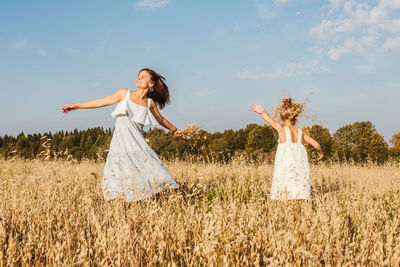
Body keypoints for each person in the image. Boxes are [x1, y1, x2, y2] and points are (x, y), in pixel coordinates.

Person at [62, 68, 185, 202]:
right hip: (120, 143)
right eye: (138, 76)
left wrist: (174, 130)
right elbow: (101, 102)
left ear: (151, 84)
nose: (138, 78)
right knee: (119, 175)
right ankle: (125, 203)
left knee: (158, 173)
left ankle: (157, 199)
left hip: (137, 144)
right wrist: (77, 105)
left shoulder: (149, 103)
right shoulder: (124, 93)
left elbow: (161, 119)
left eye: (143, 77)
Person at [250, 97, 323, 200]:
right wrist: (320, 153)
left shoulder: (281, 129)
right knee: (299, 191)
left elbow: (268, 119)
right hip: (299, 168)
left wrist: (262, 111)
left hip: (285, 167)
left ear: (281, 116)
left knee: (283, 190)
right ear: (296, 117)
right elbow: (316, 144)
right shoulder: (301, 133)